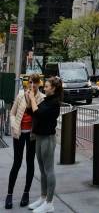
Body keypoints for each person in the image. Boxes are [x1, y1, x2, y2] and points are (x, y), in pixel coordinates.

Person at [5, 73, 45, 210]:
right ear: (27, 83)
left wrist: (33, 98)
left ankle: (26, 193)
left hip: (32, 136)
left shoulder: (41, 98)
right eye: (30, 82)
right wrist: (14, 125)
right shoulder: (21, 95)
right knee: (16, 163)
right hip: (19, 133)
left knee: (30, 163)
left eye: (35, 82)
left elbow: (40, 116)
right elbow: (12, 113)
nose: (33, 85)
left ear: (39, 84)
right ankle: (9, 194)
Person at [27, 77, 62, 213]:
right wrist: (29, 98)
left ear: (53, 88)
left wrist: (33, 99)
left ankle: (49, 202)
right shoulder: (46, 100)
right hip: (39, 137)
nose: (44, 88)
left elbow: (39, 113)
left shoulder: (54, 103)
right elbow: (32, 112)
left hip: (48, 138)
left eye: (47, 86)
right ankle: (43, 197)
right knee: (42, 170)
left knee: (49, 170)